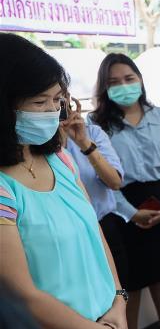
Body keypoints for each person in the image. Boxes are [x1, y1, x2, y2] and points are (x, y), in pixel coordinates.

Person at [0, 34, 127, 329]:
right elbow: (24, 297)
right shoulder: (3, 189)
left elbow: (96, 236)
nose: (52, 112)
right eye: (39, 103)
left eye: (57, 100)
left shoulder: (60, 159)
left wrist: (119, 303)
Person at [91, 53, 160, 329]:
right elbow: (102, 180)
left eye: (129, 78)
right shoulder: (97, 127)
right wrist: (131, 213)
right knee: (131, 280)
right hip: (122, 206)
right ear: (104, 88)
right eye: (114, 82)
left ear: (140, 80)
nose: (123, 86)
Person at [59, 98, 128, 286]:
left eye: (59, 99)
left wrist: (84, 143)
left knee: (119, 290)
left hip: (104, 226)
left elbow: (115, 182)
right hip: (67, 236)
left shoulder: (92, 133)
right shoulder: (35, 145)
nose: (54, 106)